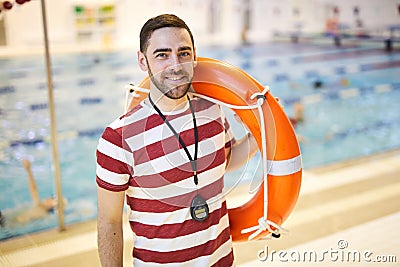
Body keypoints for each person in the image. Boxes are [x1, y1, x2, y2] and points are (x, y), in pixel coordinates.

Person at [96, 14, 258, 266]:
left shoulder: (212, 109)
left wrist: (261, 128)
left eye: (183, 53)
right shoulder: (118, 137)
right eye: (162, 55)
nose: (175, 65)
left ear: (194, 56)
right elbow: (109, 222)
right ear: (142, 61)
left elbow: (226, 161)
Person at [0, 159, 60, 226]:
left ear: (54, 207)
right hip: (7, 219)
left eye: (53, 198)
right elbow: (33, 189)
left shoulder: (45, 214)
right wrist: (29, 170)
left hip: (9, 224)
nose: (49, 198)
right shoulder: (39, 205)